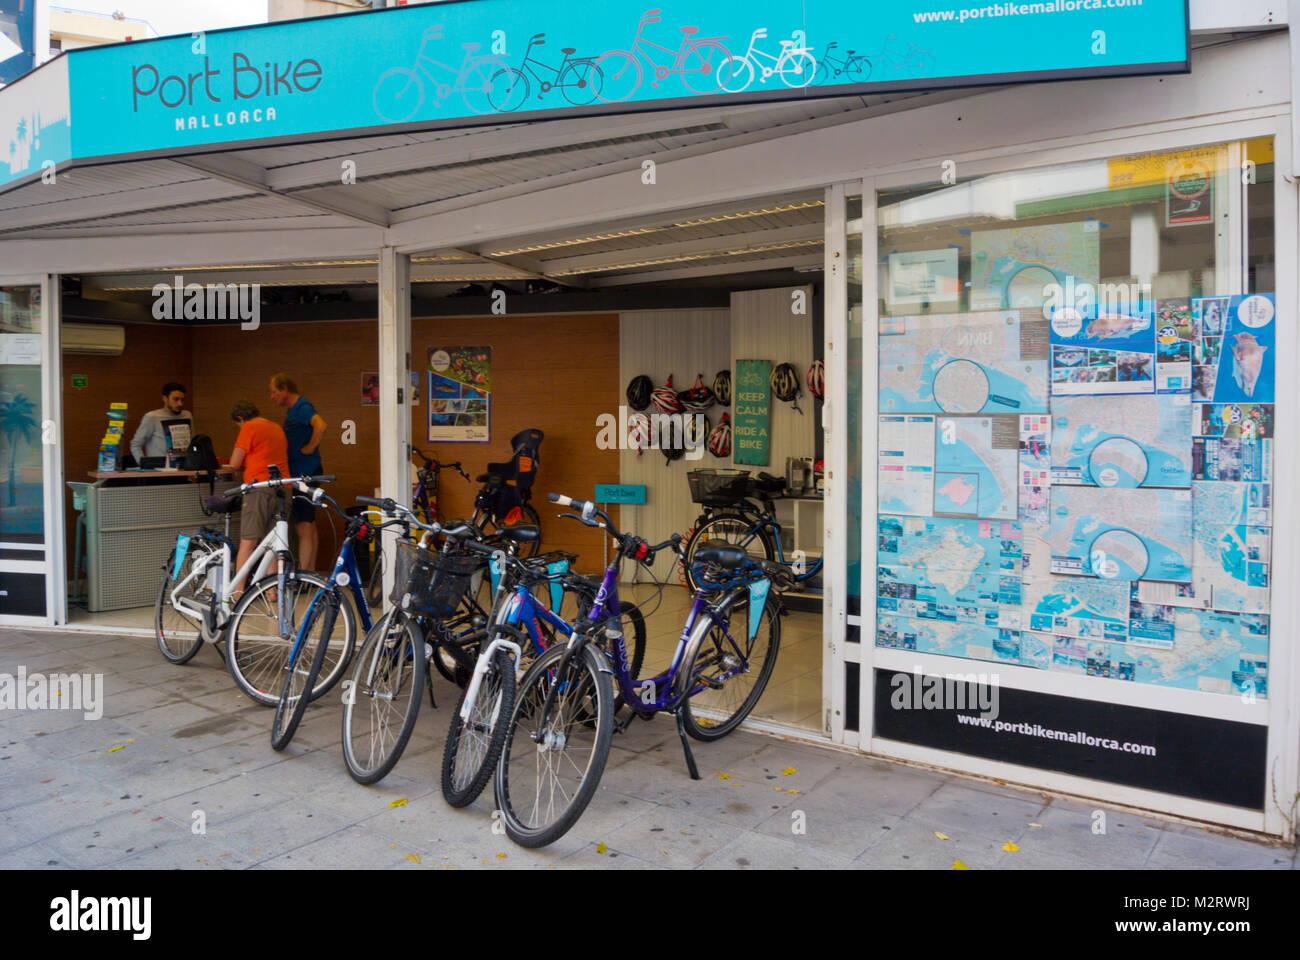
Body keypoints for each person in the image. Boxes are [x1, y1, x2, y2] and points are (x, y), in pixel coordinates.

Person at [227, 399, 289, 594]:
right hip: (284, 487)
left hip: (260, 487)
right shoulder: (276, 427)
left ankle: (238, 591)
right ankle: (273, 592)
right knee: (274, 540)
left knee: (249, 540)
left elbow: (235, 463)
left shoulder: (249, 427)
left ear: (240, 418)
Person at [269, 373, 327, 572]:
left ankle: (302, 576)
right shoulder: (293, 410)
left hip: (305, 473)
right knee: (308, 523)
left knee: (303, 525)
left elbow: (321, 425)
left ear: (285, 389)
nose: (272, 396)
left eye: (274, 392)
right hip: (300, 472)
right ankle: (310, 573)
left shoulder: (302, 406)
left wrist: (310, 447)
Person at [129, 381, 193, 462]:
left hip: (184, 468)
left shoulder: (187, 415)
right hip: (160, 470)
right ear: (165, 399)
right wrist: (144, 465)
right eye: (176, 399)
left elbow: (192, 441)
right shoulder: (152, 417)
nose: (180, 403)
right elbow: (135, 444)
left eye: (182, 400)